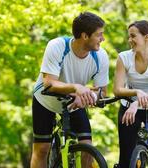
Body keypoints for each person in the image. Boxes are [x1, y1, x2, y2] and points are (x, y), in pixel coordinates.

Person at [30, 12, 109, 168]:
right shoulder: (57, 46)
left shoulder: (101, 57)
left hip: (74, 103)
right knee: (42, 149)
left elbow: (102, 93)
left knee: (88, 147)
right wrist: (77, 88)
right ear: (85, 36)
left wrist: (89, 96)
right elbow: (49, 83)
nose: (103, 39)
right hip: (45, 100)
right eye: (99, 35)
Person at [113, 20, 148, 167]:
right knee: (126, 159)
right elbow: (117, 89)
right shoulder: (124, 57)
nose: (129, 40)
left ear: (147, 37)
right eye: (129, 36)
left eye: (133, 36)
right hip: (128, 109)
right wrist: (136, 93)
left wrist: (137, 102)